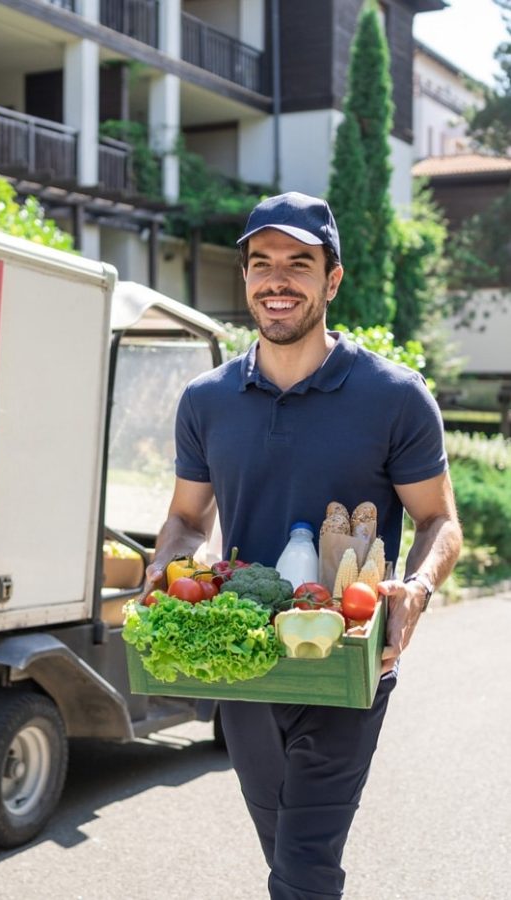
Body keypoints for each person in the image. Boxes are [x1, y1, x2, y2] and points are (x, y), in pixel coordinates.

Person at [144, 191, 462, 899]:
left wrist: (418, 587)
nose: (276, 279)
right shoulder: (208, 400)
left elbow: (440, 520)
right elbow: (189, 520)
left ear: (332, 279)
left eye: (298, 263)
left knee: (305, 864)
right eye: (261, 263)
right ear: (247, 278)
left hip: (351, 660)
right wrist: (166, 560)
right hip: (246, 662)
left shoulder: (395, 397)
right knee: (283, 847)